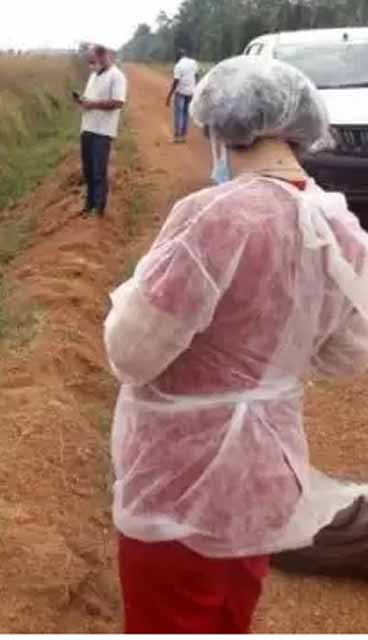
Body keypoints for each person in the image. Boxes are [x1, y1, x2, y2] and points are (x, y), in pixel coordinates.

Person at [104, 55, 368, 634]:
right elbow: (344, 354)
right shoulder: (338, 225)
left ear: (224, 129)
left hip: (181, 482)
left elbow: (131, 354)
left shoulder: (214, 216)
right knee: (229, 617)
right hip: (262, 479)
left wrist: (129, 297)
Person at [75, 44, 127, 217]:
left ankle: (99, 208)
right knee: (88, 170)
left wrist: (93, 104)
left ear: (103, 56)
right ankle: (88, 204)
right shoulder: (93, 76)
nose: (91, 65)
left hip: (103, 131)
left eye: (93, 61)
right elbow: (91, 99)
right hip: (87, 127)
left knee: (99, 172)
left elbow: (118, 102)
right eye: (89, 62)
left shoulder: (117, 76)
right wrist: (83, 101)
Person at [166, 49, 199, 143]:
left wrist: (169, 96)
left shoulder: (178, 66)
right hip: (191, 92)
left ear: (178, 56)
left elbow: (176, 81)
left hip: (180, 92)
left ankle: (177, 136)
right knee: (186, 114)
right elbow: (197, 76)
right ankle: (183, 136)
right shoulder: (193, 63)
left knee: (178, 114)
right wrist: (195, 87)